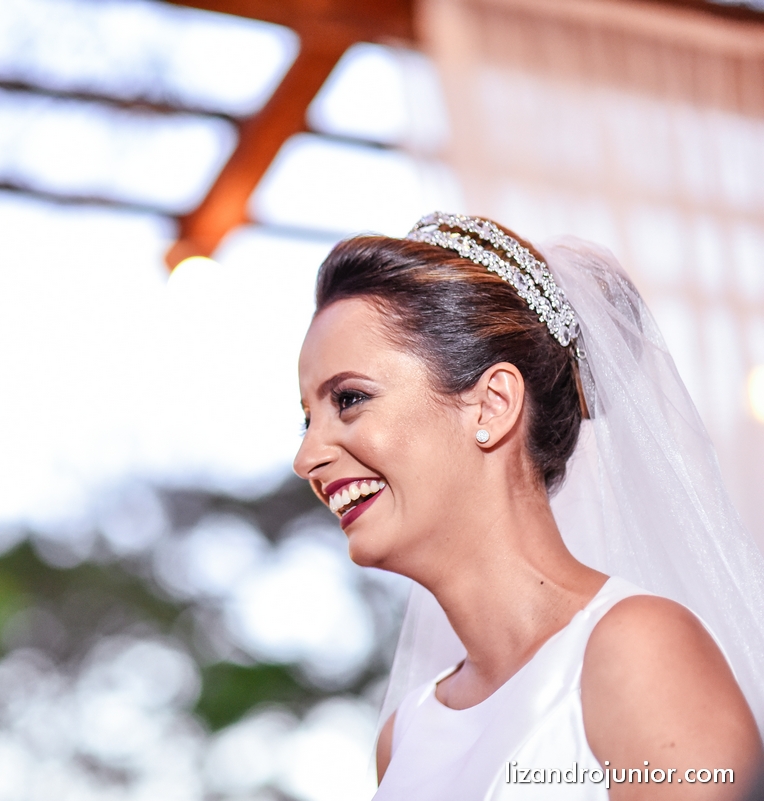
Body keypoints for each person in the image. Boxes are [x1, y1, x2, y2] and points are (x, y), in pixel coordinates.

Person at [293, 213, 764, 799]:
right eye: (307, 420)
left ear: (492, 405)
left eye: (350, 399)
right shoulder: (404, 736)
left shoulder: (635, 654)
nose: (306, 456)